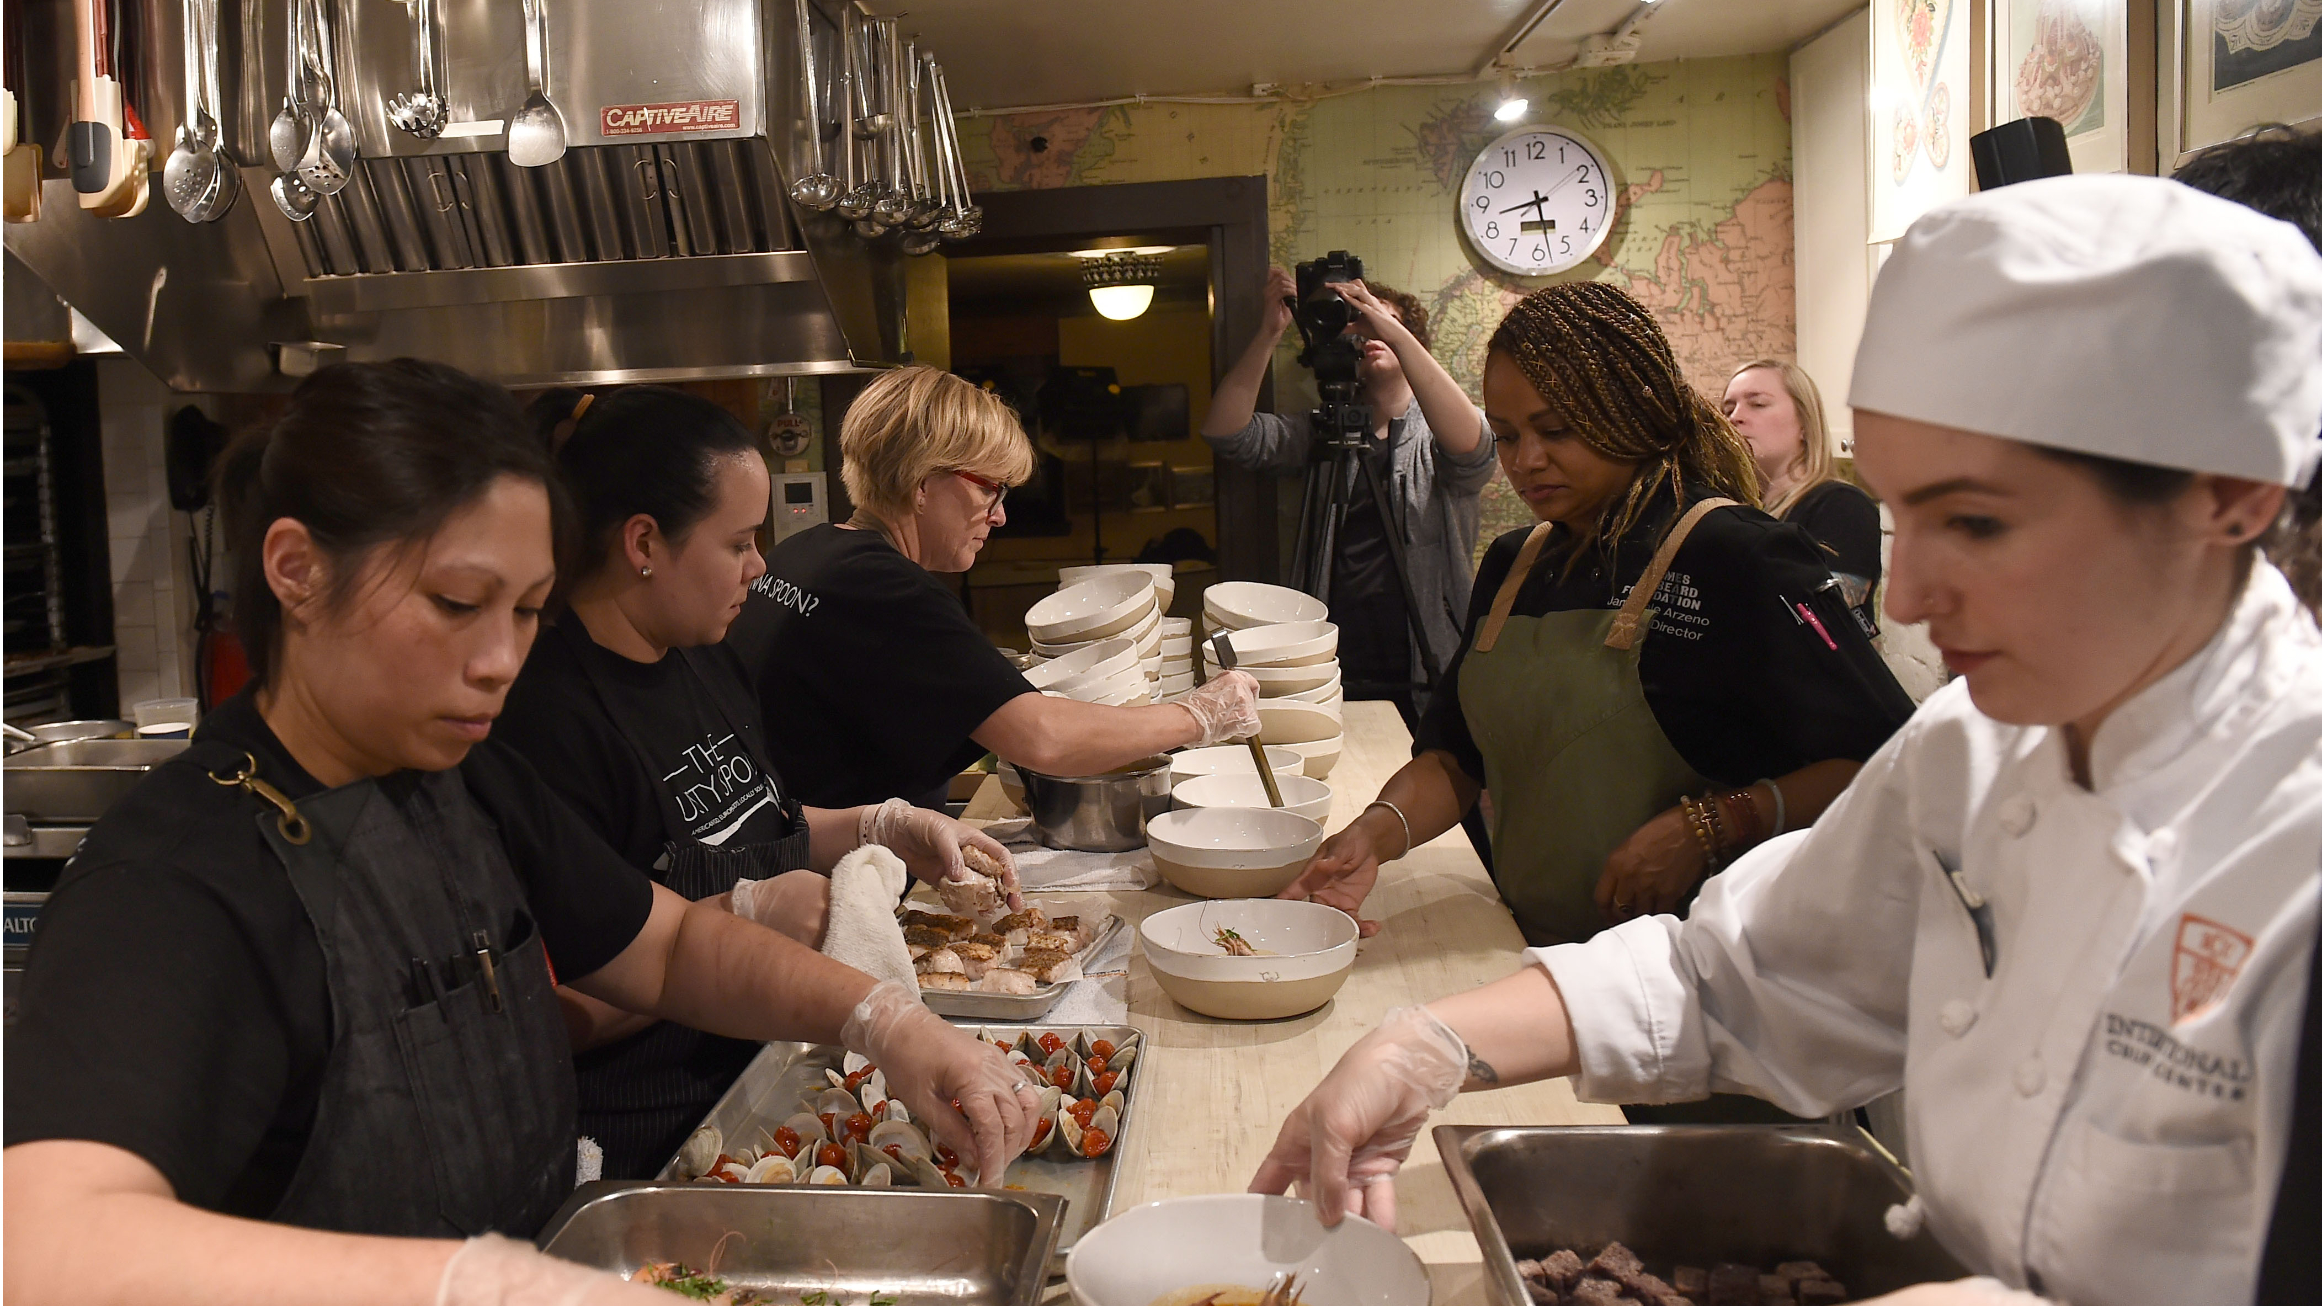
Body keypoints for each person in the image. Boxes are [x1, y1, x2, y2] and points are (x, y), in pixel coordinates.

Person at [1249, 176, 2322, 1304]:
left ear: (2228, 497)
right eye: (1905, 513)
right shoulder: (1969, 752)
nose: (1903, 598)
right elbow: (1730, 974)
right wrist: (1430, 1040)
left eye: (1979, 523)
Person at [2, 361, 1042, 1303]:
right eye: (461, 602)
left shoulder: (461, 773)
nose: (503, 659)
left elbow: (669, 943)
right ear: (296, 569)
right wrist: (481, 1286)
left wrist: (885, 1021)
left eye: (528, 611)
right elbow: (42, 1239)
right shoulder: (174, 878)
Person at [1277, 281, 1915, 959]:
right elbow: (1457, 758)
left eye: (1557, 431)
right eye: (1509, 435)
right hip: (1532, 949)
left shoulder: (1737, 553)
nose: (1525, 461)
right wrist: (1373, 834)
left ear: (1632, 412)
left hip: (1700, 969)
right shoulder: (1514, 562)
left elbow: (1887, 759)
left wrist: (1711, 824)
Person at [492, 386, 1020, 1181]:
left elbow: (756, 822)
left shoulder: (702, 654)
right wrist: (745, 917)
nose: (760, 565)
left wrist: (879, 825)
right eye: (738, 542)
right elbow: (556, 1013)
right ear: (644, 542)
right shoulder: (548, 724)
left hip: (776, 1068)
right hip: (661, 1134)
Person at [727, 365, 1261, 812]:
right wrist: (1200, 714)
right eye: (990, 489)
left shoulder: (804, 551)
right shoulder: (885, 588)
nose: (1000, 515)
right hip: (828, 874)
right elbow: (1043, 739)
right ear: (922, 483)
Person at [1202, 268, 1497, 725]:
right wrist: (1269, 333)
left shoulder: (1437, 431)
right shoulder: (1327, 430)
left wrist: (1387, 326)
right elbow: (1227, 432)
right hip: (1336, 657)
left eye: (1379, 322)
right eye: (1356, 327)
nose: (1369, 334)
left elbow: (1475, 450)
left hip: (1428, 656)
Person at [1722, 358, 1883, 633]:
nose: (1734, 416)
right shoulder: (1731, 510)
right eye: (1727, 408)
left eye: (1758, 404)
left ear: (1805, 425)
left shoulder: (1842, 506)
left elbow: (1820, 618)